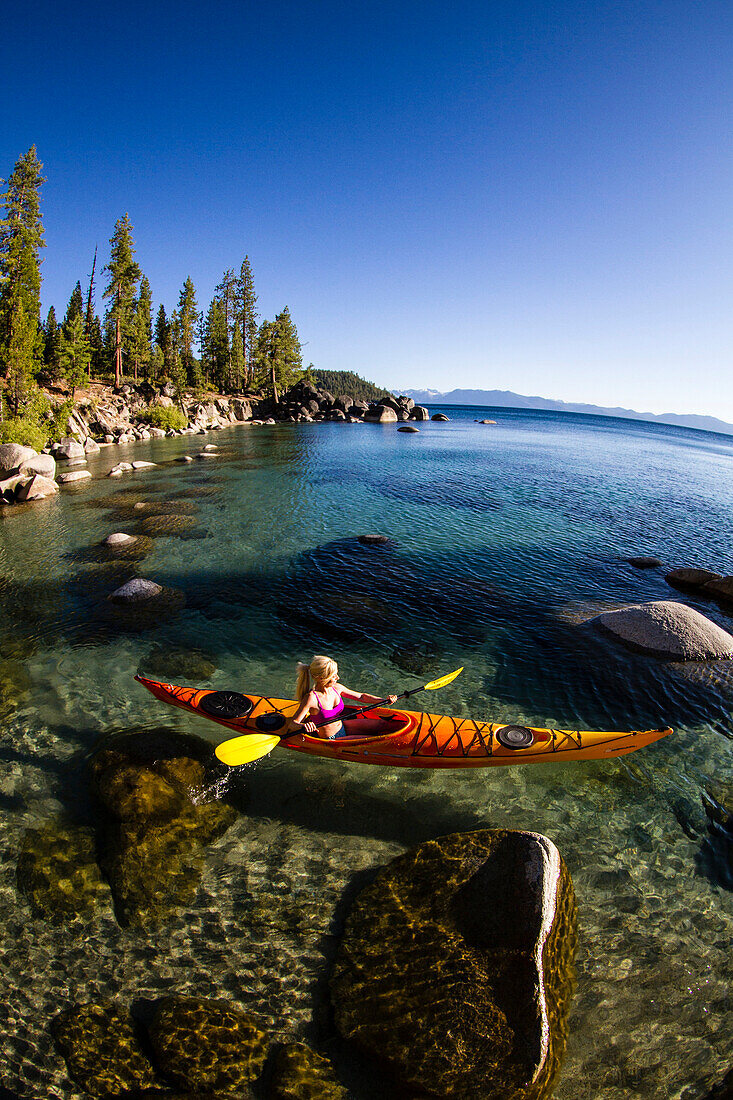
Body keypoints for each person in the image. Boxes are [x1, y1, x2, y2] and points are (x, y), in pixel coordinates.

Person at [289, 655, 398, 740]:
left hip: (342, 726)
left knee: (382, 724)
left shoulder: (336, 688)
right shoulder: (311, 698)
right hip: (332, 739)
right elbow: (293, 724)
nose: (338, 677)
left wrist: (383, 700)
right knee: (373, 740)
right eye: (334, 676)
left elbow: (361, 697)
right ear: (321, 678)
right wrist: (304, 726)